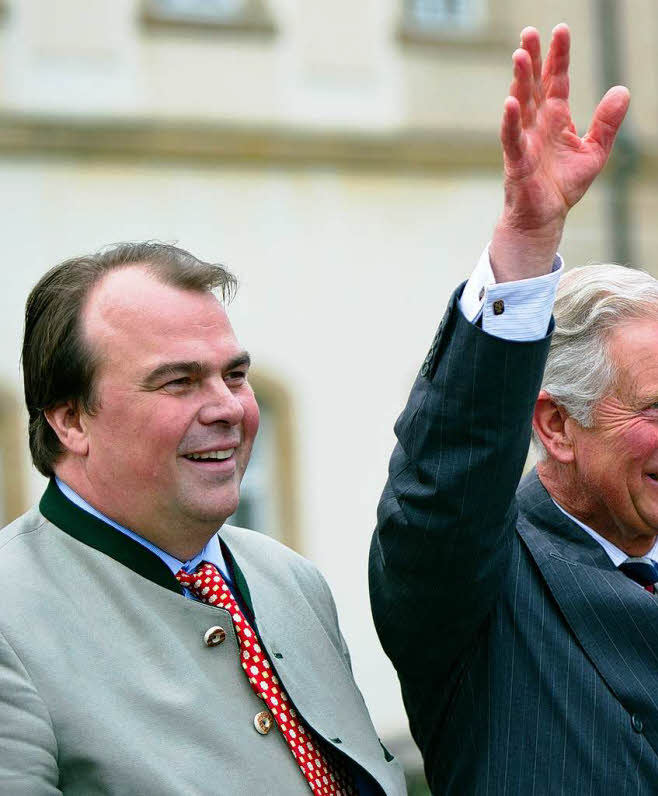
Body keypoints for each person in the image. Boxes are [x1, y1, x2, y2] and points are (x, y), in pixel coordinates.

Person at [369, 24, 658, 795]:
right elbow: (444, 485)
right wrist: (526, 242)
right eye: (656, 406)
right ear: (554, 426)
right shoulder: (482, 589)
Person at [0, 242, 405, 795]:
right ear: (71, 420)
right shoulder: (11, 616)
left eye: (235, 375)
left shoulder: (289, 578)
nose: (228, 408)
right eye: (179, 382)